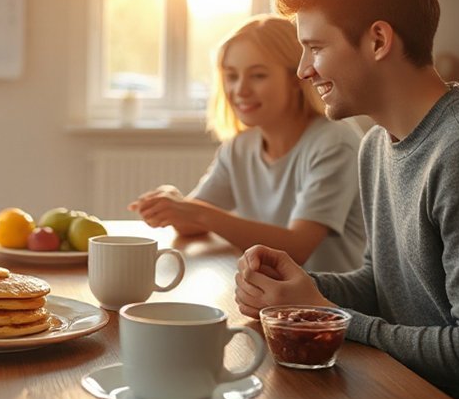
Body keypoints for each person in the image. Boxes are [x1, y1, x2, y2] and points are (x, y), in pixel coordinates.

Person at [234, 0, 459, 399]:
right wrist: (298, 287)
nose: (302, 70)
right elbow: (385, 287)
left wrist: (328, 316)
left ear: (378, 41)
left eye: (315, 47)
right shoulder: (377, 144)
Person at [128, 15, 365, 274]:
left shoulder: (334, 143)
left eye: (258, 75)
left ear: (297, 79)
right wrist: (173, 204)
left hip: (329, 308)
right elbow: (192, 223)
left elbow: (298, 247)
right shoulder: (239, 148)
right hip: (270, 300)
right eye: (231, 76)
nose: (240, 90)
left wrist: (195, 212)